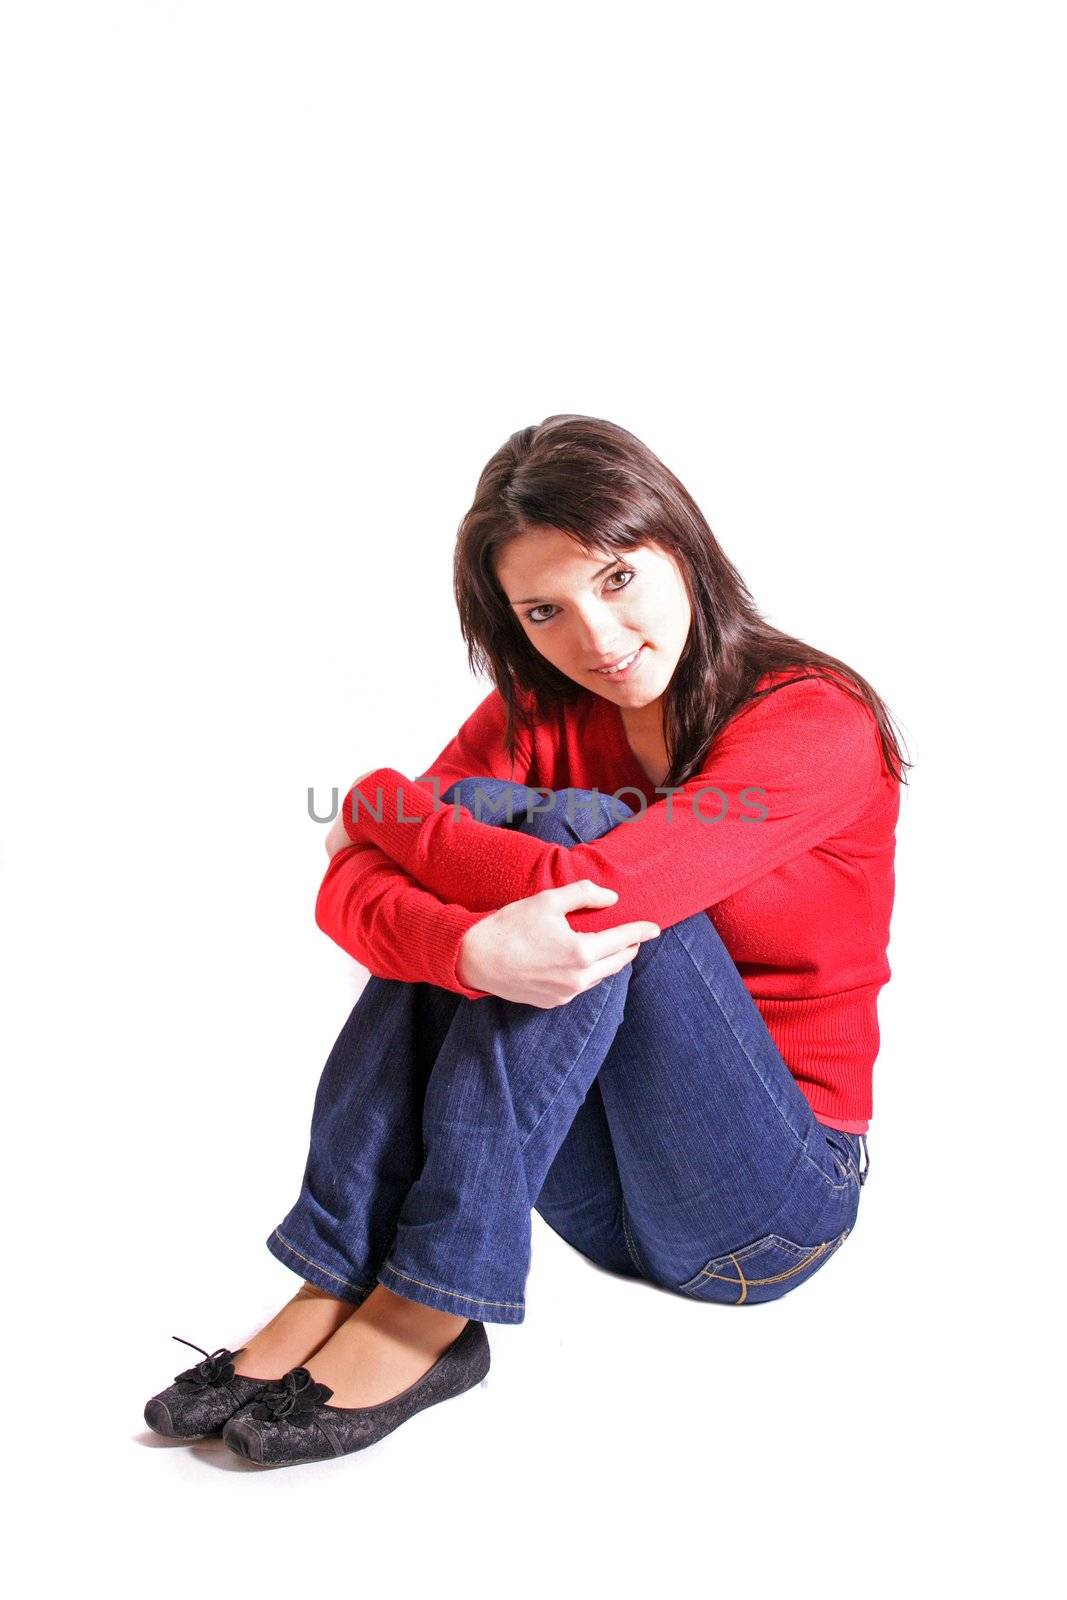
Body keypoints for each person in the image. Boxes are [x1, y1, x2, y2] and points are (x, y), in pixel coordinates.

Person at [144, 413, 908, 1468]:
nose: (594, 639)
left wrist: (378, 800)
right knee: (482, 886)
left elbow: (589, 887)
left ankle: (427, 1300)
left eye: (616, 579)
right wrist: (463, 951)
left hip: (765, 1210)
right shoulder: (540, 709)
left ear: (680, 547)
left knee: (572, 835)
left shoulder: (812, 721)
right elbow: (346, 890)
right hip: (597, 1205)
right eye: (544, 611)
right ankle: (337, 1273)